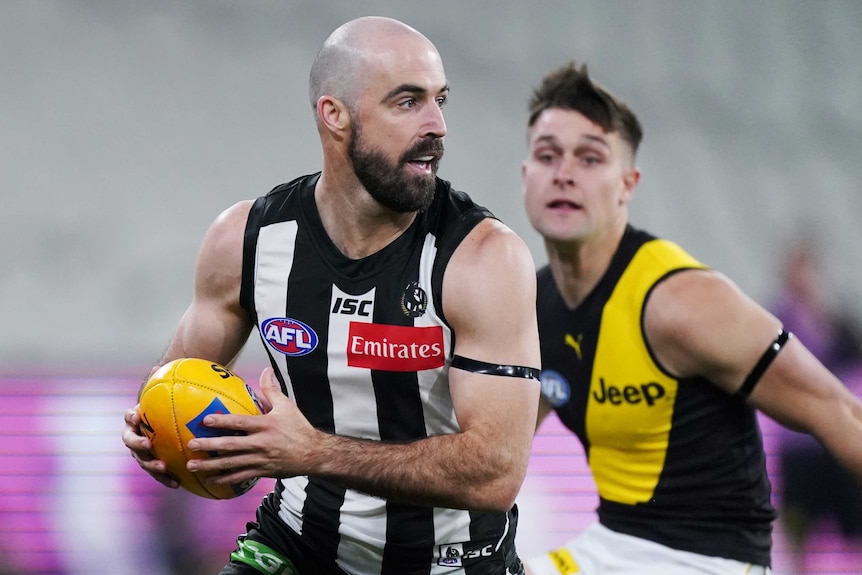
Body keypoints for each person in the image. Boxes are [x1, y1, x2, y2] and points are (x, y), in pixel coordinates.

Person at [122, 16, 541, 575]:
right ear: (334, 115)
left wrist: (311, 452)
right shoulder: (245, 240)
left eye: (440, 100)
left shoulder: (483, 259)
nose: (438, 125)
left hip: (451, 563)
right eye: (407, 102)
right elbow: (177, 379)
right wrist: (154, 427)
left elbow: (496, 473)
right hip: (297, 546)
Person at [518, 60, 862, 575]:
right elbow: (500, 454)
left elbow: (840, 413)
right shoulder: (534, 305)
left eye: (590, 158)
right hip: (609, 547)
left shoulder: (684, 303)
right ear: (526, 176)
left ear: (627, 184)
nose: (564, 172)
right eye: (548, 155)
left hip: (711, 562)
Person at [770, 237, 862, 573]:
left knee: (849, 526)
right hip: (798, 443)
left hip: (835, 442)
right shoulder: (775, 318)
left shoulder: (833, 320)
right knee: (799, 529)